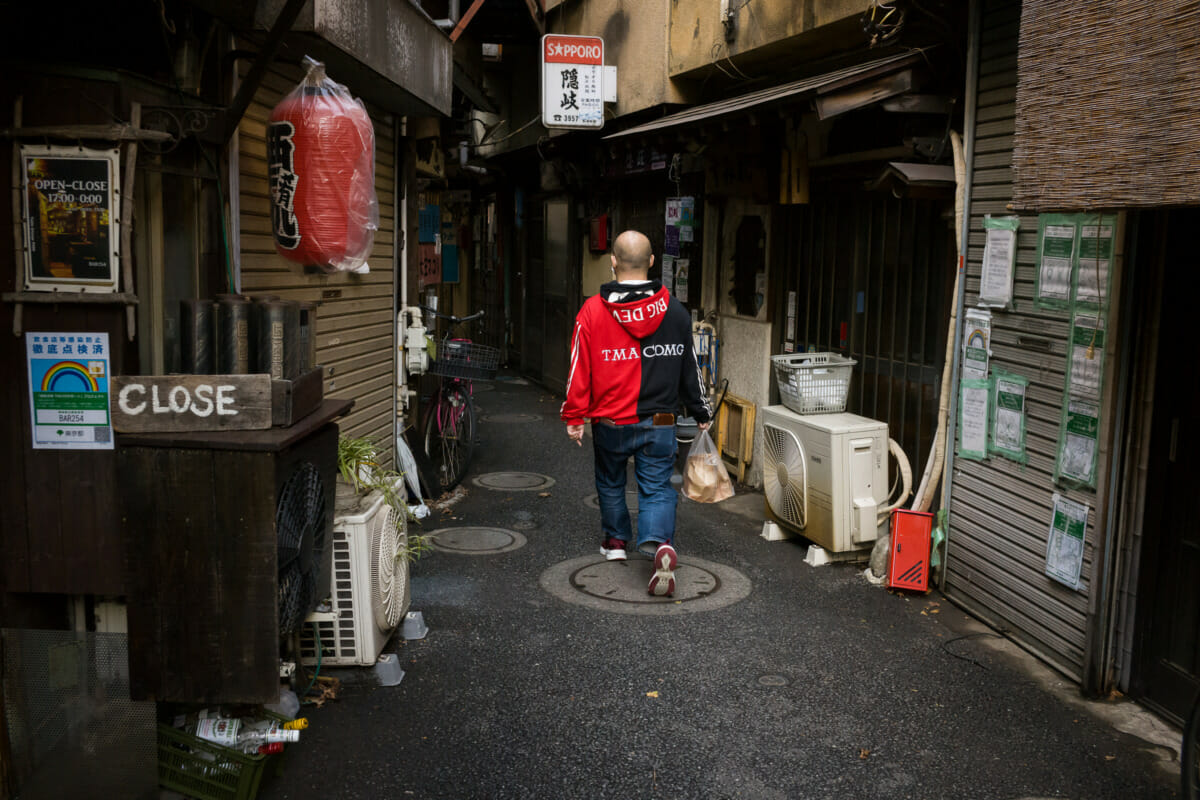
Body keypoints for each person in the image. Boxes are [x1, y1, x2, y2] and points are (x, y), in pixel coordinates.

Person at [561, 230, 712, 597]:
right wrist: (699, 409)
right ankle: (660, 545)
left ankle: (615, 543)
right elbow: (688, 367)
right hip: (660, 421)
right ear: (652, 263)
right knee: (658, 487)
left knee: (611, 481)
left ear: (613, 262)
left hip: (610, 421)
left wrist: (574, 416)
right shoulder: (675, 312)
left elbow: (579, 367)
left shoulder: (593, 311)